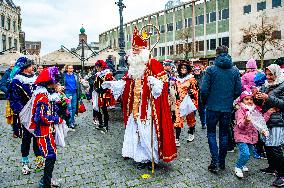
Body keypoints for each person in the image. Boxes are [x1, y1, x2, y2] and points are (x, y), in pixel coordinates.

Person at [102, 26, 177, 169]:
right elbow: (127, 81)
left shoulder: (152, 63)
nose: (134, 52)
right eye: (133, 50)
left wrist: (155, 83)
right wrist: (114, 84)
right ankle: (142, 157)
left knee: (148, 131)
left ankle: (151, 158)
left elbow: (163, 83)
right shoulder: (133, 67)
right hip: (135, 106)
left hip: (148, 107)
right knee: (137, 131)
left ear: (144, 51)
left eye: (137, 50)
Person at [201, 45, 242, 173]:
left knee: (212, 134)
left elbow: (204, 90)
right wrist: (229, 99)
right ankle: (222, 162)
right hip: (226, 108)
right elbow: (238, 90)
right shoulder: (235, 70)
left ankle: (215, 162)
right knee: (224, 134)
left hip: (212, 107)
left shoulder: (210, 69)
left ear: (216, 54)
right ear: (227, 53)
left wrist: (205, 101)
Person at [7, 57, 43, 174]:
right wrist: (22, 112)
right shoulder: (16, 81)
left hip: (37, 113)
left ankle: (39, 161)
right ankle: (25, 163)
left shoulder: (36, 78)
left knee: (38, 138)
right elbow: (14, 99)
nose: (33, 67)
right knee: (26, 140)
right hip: (25, 115)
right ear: (25, 68)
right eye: (31, 66)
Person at [30, 67, 63, 188]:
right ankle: (45, 183)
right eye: (56, 82)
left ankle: (46, 181)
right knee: (50, 156)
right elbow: (40, 117)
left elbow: (52, 109)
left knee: (51, 156)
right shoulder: (42, 97)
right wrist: (57, 119)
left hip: (48, 131)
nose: (57, 84)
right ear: (50, 83)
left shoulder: (47, 94)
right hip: (43, 132)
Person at [255, 64, 284, 187]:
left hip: (278, 121)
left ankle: (282, 175)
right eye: (267, 74)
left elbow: (282, 104)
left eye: (271, 74)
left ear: (276, 73)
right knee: (268, 146)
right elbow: (262, 103)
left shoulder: (282, 85)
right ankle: (272, 167)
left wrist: (268, 97)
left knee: (275, 147)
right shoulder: (266, 85)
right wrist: (256, 96)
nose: (268, 77)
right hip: (266, 119)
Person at [233, 89, 272, 178]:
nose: (249, 101)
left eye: (251, 99)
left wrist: (268, 113)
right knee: (245, 153)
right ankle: (238, 167)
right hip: (241, 136)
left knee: (249, 153)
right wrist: (246, 121)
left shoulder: (254, 109)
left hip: (251, 137)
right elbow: (240, 125)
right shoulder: (240, 111)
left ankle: (243, 164)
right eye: (246, 99)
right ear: (242, 100)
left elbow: (261, 121)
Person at [174, 63, 198, 146]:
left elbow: (196, 90)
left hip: (188, 101)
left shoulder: (191, 79)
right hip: (179, 102)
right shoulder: (176, 79)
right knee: (178, 119)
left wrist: (192, 92)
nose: (183, 69)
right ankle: (176, 139)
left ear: (188, 69)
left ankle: (191, 133)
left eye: (185, 68)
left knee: (190, 119)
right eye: (181, 68)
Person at [93, 60, 115, 132]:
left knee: (104, 110)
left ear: (102, 67)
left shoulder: (107, 74)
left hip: (104, 94)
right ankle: (100, 124)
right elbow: (95, 83)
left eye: (98, 67)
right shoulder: (97, 74)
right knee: (97, 109)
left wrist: (100, 90)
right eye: (96, 67)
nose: (97, 68)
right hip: (97, 94)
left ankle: (106, 125)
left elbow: (108, 84)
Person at [61, 65, 81, 129]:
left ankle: (72, 121)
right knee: (69, 108)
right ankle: (69, 122)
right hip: (67, 93)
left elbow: (78, 84)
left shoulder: (75, 75)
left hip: (74, 93)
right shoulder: (64, 75)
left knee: (74, 107)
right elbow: (62, 84)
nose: (70, 69)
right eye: (69, 68)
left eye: (71, 68)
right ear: (67, 69)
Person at [193, 64, 206, 129]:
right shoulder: (192, 77)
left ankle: (203, 124)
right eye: (195, 70)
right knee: (193, 112)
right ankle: (193, 125)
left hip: (201, 97)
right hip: (194, 97)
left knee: (202, 111)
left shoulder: (204, 76)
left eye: (198, 70)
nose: (197, 71)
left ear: (200, 70)